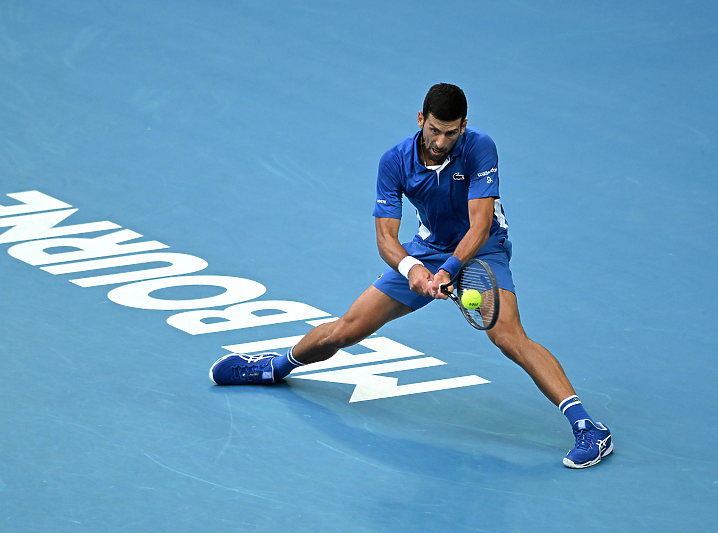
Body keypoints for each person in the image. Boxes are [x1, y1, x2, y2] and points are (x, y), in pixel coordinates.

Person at [208, 83, 612, 469]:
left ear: (463, 127)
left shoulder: (479, 148)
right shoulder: (394, 161)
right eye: (434, 130)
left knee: (507, 334)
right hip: (427, 249)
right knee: (346, 329)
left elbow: (480, 224)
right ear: (420, 119)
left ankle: (588, 428)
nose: (440, 142)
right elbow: (386, 238)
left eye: (450, 133)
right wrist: (413, 268)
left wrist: (449, 271)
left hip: (482, 248)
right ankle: (273, 367)